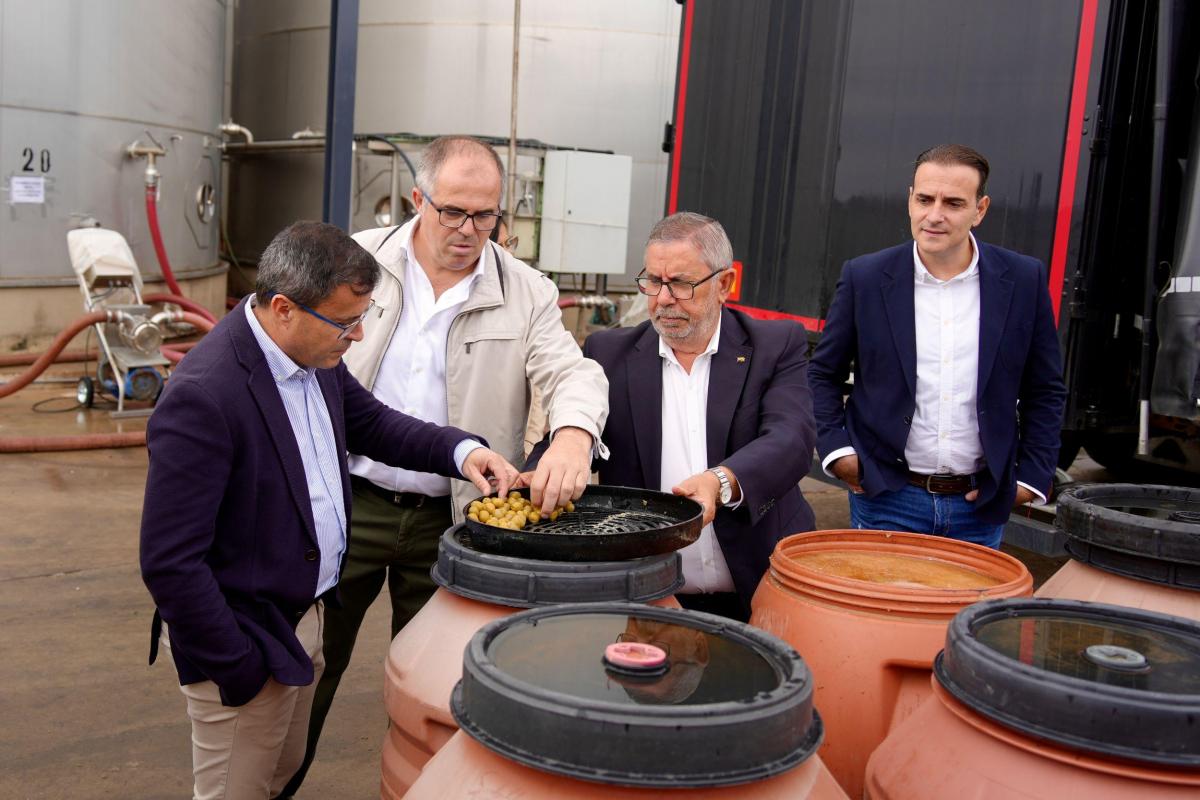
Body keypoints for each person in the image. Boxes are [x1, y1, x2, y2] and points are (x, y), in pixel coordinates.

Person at [139, 220, 519, 799]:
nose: (359, 336)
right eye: (346, 322)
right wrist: (236, 665)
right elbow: (170, 563)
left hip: (301, 624)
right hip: (246, 638)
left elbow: (371, 423)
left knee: (278, 777)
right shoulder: (204, 396)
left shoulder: (311, 356)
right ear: (284, 307)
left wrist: (461, 451)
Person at [284, 135, 609, 793]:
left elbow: (572, 371)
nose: (468, 230)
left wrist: (573, 436)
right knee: (302, 672)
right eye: (452, 211)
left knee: (444, 693)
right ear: (417, 199)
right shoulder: (353, 261)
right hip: (346, 502)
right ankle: (274, 787)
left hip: (454, 519)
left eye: (484, 216)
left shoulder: (527, 293)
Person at [531, 211, 817, 622]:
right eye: (652, 281)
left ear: (724, 285)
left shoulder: (774, 345)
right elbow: (576, 439)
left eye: (681, 283)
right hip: (650, 594)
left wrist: (720, 481)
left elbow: (791, 439)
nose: (663, 299)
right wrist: (540, 471)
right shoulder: (609, 354)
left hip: (758, 587)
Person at [808, 143, 1067, 548]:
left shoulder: (1023, 280)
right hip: (887, 498)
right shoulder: (866, 277)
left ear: (980, 210)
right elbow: (822, 373)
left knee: (968, 614)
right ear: (909, 200)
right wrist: (838, 453)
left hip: (980, 506)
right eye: (925, 199)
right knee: (883, 612)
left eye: (953, 203)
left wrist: (1031, 478)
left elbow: (1046, 390)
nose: (934, 215)